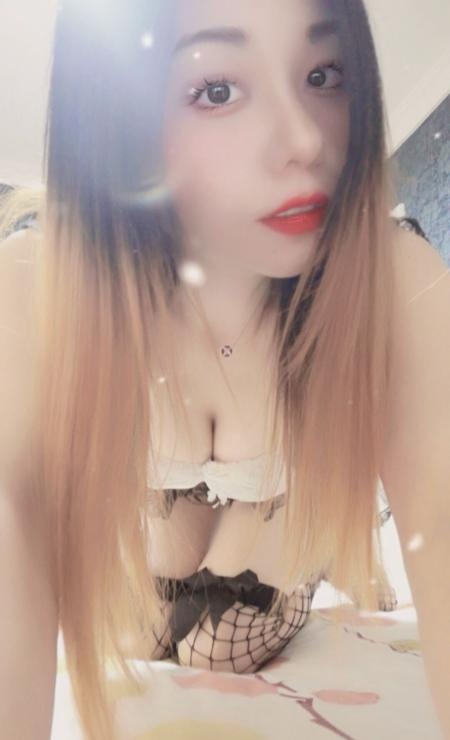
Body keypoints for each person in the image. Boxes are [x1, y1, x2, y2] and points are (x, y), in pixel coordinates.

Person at [1, 2, 449, 739]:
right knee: (134, 638)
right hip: (146, 538)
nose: (305, 140)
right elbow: (10, 521)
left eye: (323, 74)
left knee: (218, 649)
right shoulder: (41, 286)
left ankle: (336, 548)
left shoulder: (392, 279)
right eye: (216, 90)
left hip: (278, 533)